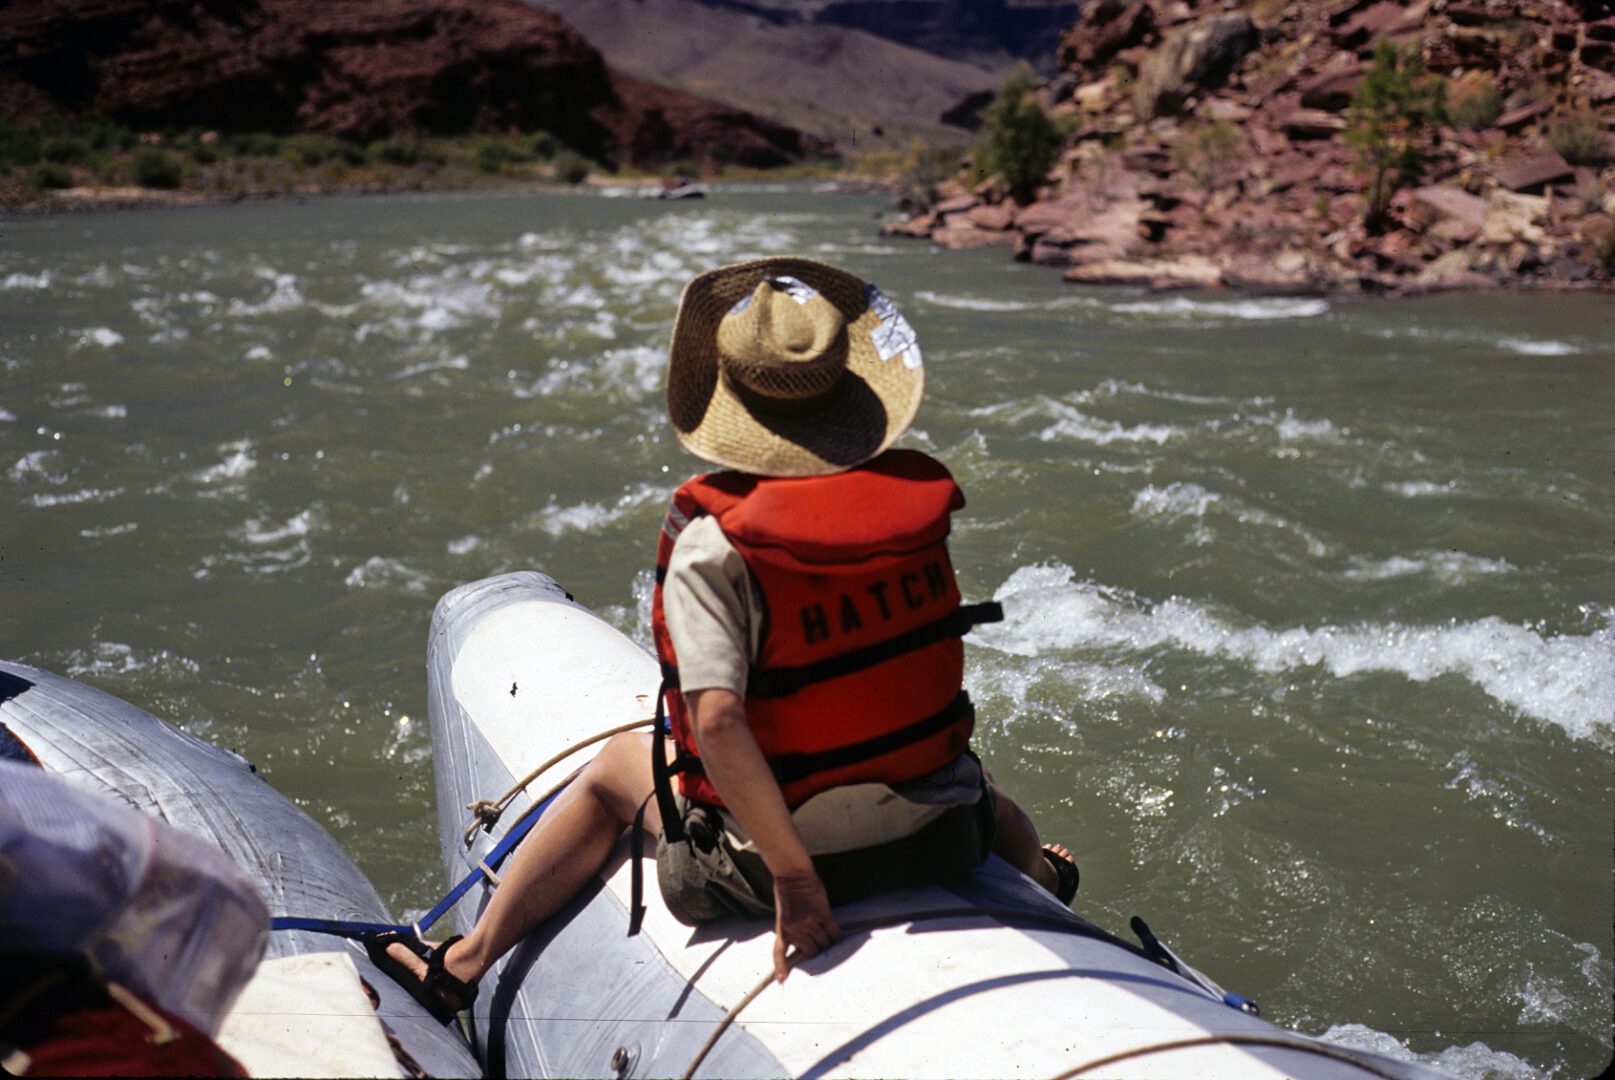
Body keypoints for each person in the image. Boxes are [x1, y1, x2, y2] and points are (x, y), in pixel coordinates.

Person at [376, 257, 1077, 1021]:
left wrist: (795, 879)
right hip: (943, 834)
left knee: (612, 772)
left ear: (728, 402)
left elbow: (715, 720)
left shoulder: (714, 545)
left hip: (789, 867)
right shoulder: (911, 509)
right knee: (962, 768)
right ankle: (1037, 873)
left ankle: (461, 964)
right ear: (851, 395)